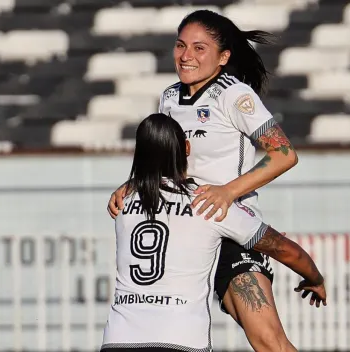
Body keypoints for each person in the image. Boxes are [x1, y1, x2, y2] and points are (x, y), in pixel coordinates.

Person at [107, 10, 326, 352]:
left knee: (269, 343)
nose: (186, 56)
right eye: (180, 46)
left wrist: (228, 193)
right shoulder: (168, 98)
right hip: (185, 229)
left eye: (199, 48)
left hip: (230, 230)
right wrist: (134, 184)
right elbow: (164, 156)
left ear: (223, 57)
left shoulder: (234, 96)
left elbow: (284, 154)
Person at [101, 113, 326, 352]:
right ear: (187, 147)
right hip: (180, 341)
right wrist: (316, 279)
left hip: (117, 340)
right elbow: (286, 250)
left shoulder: (122, 202)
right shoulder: (209, 204)